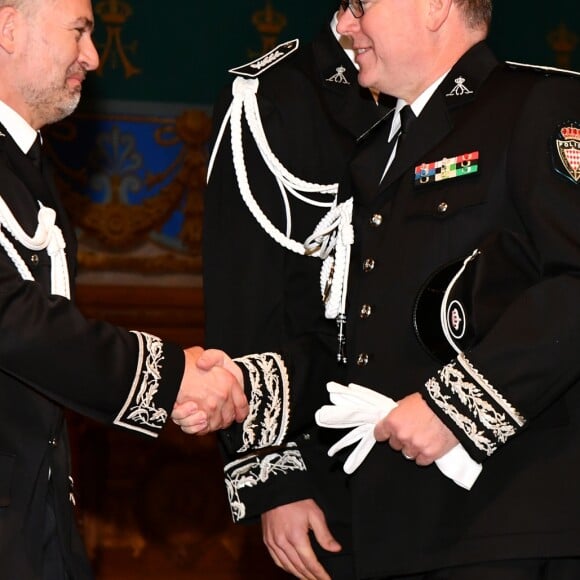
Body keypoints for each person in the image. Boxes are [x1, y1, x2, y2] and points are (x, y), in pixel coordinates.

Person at [179, 0, 580, 578]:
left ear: (436, 7)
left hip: (508, 523)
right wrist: (241, 388)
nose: (346, 25)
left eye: (363, 5)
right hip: (408, 528)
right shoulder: (381, 148)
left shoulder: (536, 104)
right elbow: (353, 337)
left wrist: (458, 408)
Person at [0, 0, 247, 578]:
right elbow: (12, 317)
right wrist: (171, 378)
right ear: (8, 28)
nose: (91, 56)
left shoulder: (27, 168)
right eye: (80, 31)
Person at [201, 8, 391, 579]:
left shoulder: (464, 90)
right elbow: (246, 303)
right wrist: (273, 479)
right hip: (323, 460)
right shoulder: (279, 95)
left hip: (439, 462)